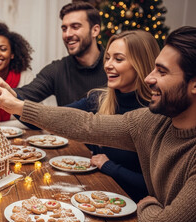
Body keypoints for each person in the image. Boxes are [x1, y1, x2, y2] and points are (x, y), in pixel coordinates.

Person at [0, 26, 196, 222]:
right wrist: (18, 106)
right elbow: (87, 125)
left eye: (162, 72)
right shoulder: (155, 121)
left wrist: (149, 202)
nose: (148, 78)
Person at [66, 30, 159, 202]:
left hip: (134, 210)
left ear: (140, 64)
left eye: (118, 59)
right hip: (97, 194)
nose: (108, 65)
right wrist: (16, 102)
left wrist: (109, 166)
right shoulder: (99, 99)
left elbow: (154, 187)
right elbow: (60, 117)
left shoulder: (156, 113)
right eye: (107, 57)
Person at [13, 2, 107, 106]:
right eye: (64, 29)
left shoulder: (114, 67)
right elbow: (24, 95)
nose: (67, 34)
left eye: (75, 27)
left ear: (95, 30)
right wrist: (0, 90)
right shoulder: (57, 70)